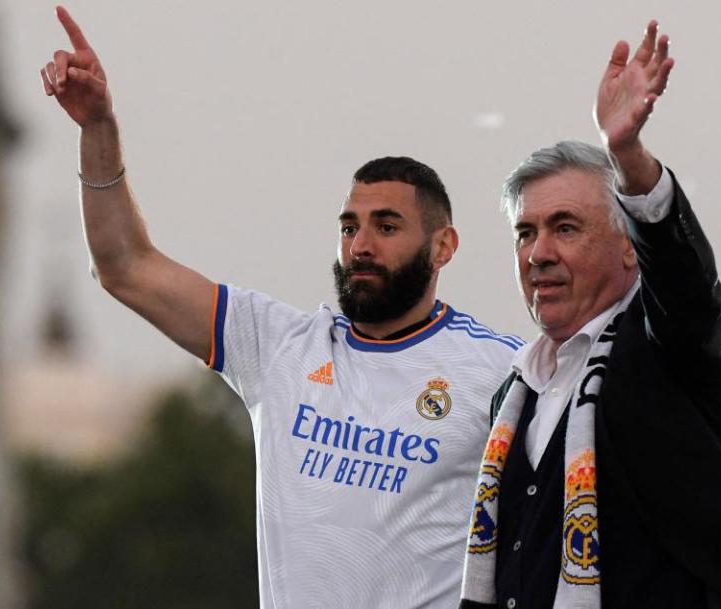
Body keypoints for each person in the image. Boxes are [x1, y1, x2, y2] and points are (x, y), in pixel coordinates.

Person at [40, 6, 523, 608]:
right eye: (349, 226)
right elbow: (125, 267)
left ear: (443, 246)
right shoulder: (277, 346)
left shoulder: (505, 373)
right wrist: (98, 129)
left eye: (387, 225)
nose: (361, 245)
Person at [460, 21, 721, 609]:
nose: (539, 252)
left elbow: (685, 287)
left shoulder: (666, 348)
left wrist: (628, 158)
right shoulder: (514, 397)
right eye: (525, 232)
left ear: (628, 246)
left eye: (565, 227)